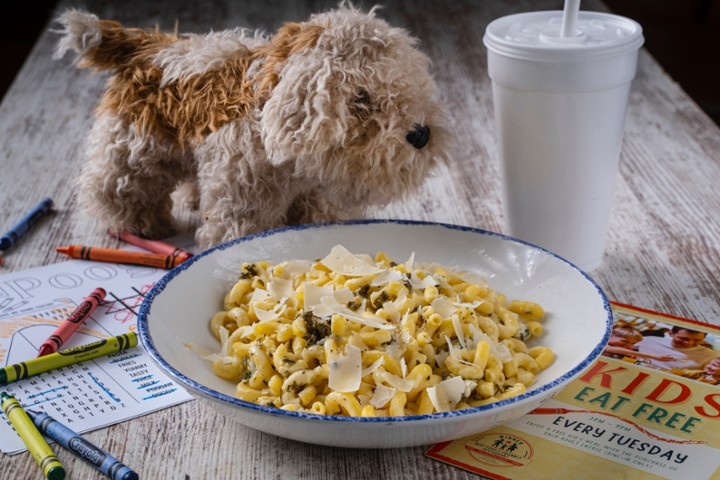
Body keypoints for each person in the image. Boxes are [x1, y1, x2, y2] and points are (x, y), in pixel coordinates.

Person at [636, 326, 720, 371]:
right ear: (671, 334)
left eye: (697, 340)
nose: (689, 343)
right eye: (683, 338)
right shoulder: (648, 340)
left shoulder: (712, 356)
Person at [602, 327, 676, 363]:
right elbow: (608, 349)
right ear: (611, 335)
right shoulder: (601, 341)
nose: (628, 345)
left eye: (632, 343)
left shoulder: (624, 348)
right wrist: (652, 356)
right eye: (624, 341)